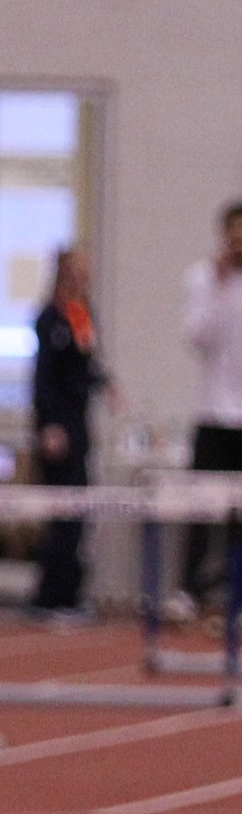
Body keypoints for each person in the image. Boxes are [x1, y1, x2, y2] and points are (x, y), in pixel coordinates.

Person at [168, 200, 242, 622]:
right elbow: (197, 337)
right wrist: (219, 286)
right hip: (214, 413)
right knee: (200, 508)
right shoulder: (202, 279)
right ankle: (189, 591)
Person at [28, 246, 109, 620]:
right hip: (57, 425)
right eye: (79, 269)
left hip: (78, 424)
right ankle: (50, 596)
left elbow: (87, 364)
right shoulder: (50, 317)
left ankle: (70, 592)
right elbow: (44, 376)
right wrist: (49, 424)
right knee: (59, 513)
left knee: (76, 513)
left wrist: (108, 386)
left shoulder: (81, 314)